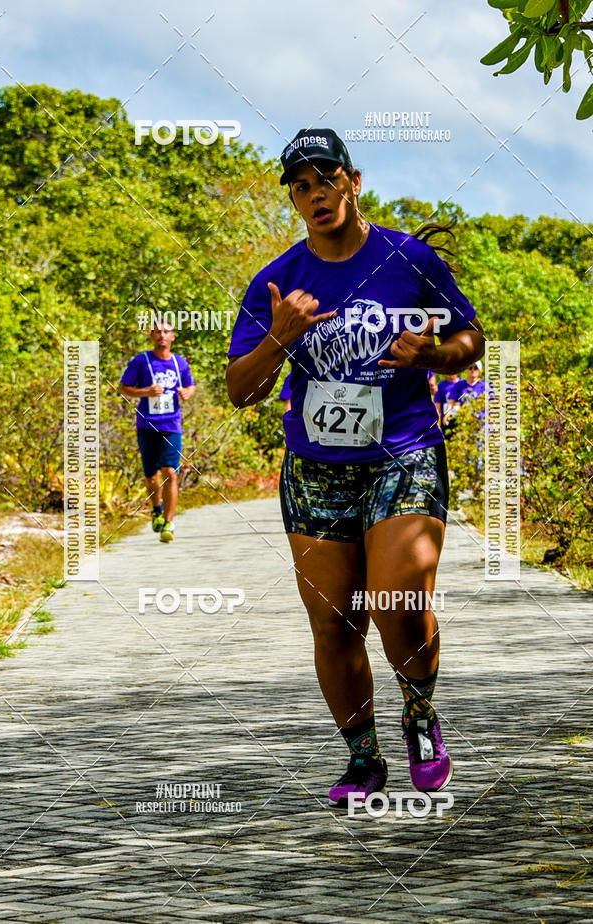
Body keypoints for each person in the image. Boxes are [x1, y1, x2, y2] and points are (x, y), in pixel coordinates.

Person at [226, 128, 485, 807]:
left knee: (400, 603)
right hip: (317, 470)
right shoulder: (276, 284)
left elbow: (470, 336)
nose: (316, 193)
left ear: (354, 181)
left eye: (327, 179)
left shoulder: (410, 259)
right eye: (302, 185)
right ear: (292, 197)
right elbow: (240, 391)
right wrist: (281, 336)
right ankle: (363, 759)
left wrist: (432, 356)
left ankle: (421, 716)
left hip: (403, 450)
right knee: (336, 622)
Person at [120, 321, 196, 542]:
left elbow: (191, 386)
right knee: (151, 476)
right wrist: (146, 391)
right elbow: (124, 388)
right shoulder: (141, 361)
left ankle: (169, 523)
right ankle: (156, 509)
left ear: (173, 336)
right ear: (152, 335)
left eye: (166, 332)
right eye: (157, 332)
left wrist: (187, 393)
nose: (162, 335)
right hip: (147, 425)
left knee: (170, 472)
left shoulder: (179, 362)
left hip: (172, 425)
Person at [435, 373, 464, 440]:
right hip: (446, 419)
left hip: (460, 419)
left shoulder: (463, 383)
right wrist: (437, 419)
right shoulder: (441, 385)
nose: (451, 373)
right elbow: (437, 404)